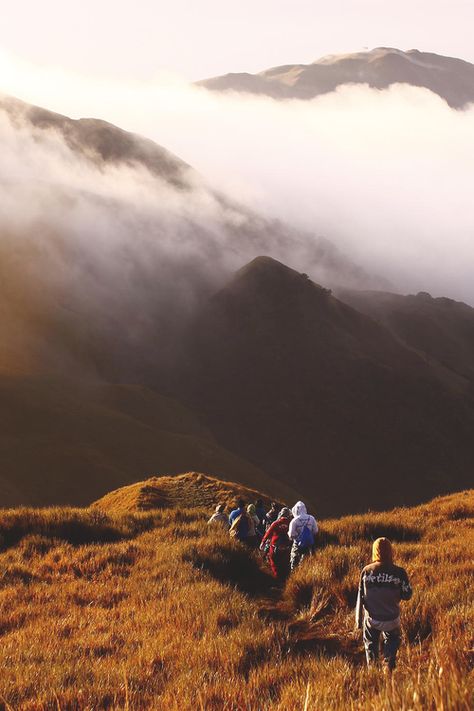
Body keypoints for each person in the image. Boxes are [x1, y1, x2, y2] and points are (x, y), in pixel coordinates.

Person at [355, 537, 412, 672]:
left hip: (372, 619)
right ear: (390, 551)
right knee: (392, 641)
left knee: (370, 644)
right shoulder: (399, 572)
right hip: (392, 618)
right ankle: (388, 665)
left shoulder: (366, 571)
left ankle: (373, 671)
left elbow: (360, 597)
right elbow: (407, 595)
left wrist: (358, 621)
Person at [260, 507, 292, 581]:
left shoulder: (276, 523)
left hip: (274, 547)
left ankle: (277, 579)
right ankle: (285, 580)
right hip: (286, 547)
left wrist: (263, 542)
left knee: (274, 563)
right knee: (284, 563)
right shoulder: (290, 523)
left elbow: (268, 533)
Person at [288, 501, 318, 570]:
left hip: (297, 544)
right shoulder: (311, 518)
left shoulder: (294, 521)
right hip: (309, 544)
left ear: (296, 510)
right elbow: (316, 531)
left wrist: (298, 536)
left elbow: (291, 534)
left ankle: (295, 574)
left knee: (295, 561)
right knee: (309, 561)